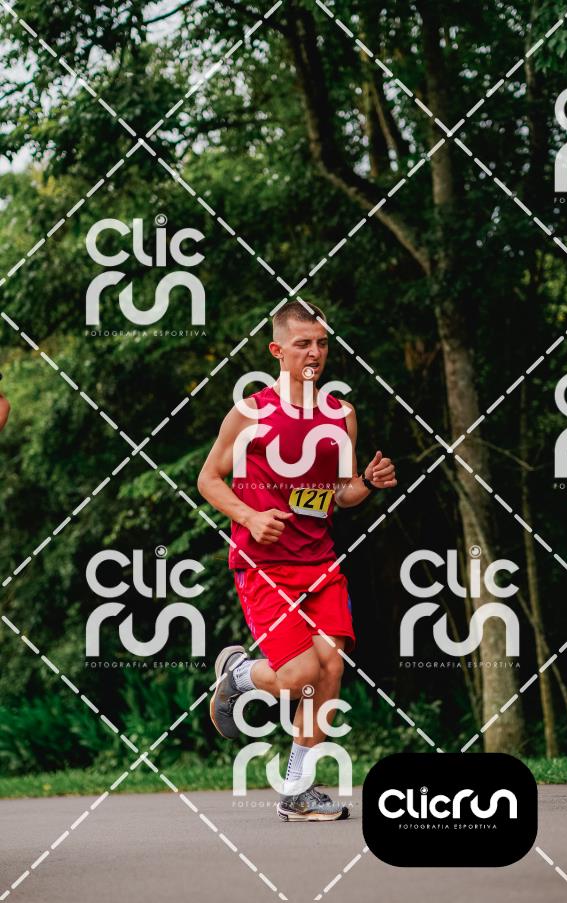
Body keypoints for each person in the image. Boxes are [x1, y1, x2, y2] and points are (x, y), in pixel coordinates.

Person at [197, 300, 396, 821]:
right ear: (277, 350)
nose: (314, 352)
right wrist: (249, 515)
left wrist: (367, 484)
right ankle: (239, 675)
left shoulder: (341, 415)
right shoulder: (251, 413)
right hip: (264, 566)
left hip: (320, 562)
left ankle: (297, 791)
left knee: (330, 669)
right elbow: (208, 479)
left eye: (322, 343)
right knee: (300, 675)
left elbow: (339, 494)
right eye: (303, 343)